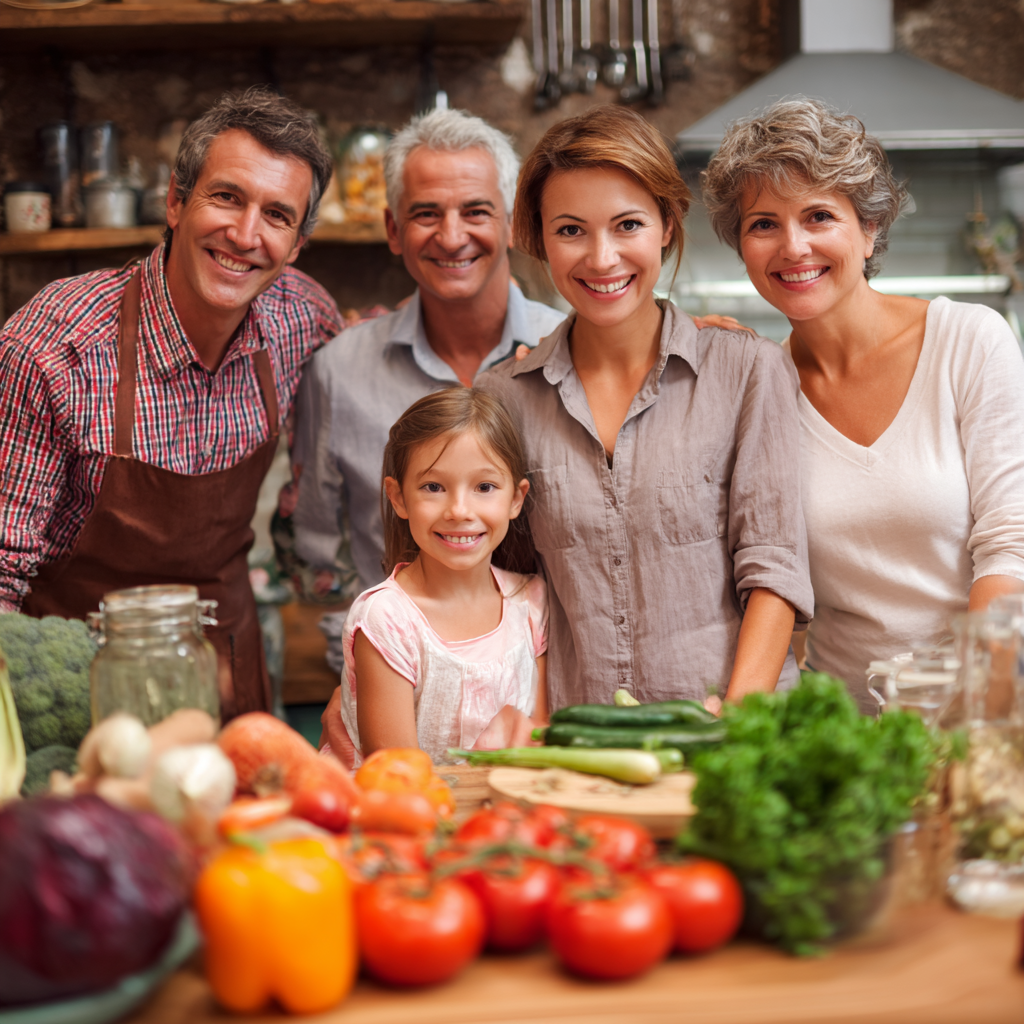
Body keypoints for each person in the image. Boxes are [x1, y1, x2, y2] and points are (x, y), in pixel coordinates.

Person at [0, 87, 342, 719]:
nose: (245, 235)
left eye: (277, 215)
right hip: (77, 687)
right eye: (227, 197)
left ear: (297, 245)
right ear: (176, 202)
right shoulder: (54, 347)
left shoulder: (303, 319)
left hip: (226, 672)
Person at [479, 106, 814, 713]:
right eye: (571, 230)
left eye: (627, 224)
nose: (602, 258)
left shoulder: (747, 370)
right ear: (539, 238)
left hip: (734, 736)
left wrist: (732, 722)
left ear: (666, 224)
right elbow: (496, 586)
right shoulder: (504, 398)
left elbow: (775, 567)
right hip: (579, 742)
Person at [701, 98, 1024, 711]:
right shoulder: (758, 390)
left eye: (819, 216)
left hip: (983, 713)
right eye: (764, 224)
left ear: (869, 228)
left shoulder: (970, 342)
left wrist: (970, 716)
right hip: (841, 731)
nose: (793, 246)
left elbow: (1011, 548)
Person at [328, 387, 547, 766]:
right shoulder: (387, 620)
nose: (459, 510)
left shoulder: (531, 601)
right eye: (433, 487)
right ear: (398, 497)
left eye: (484, 487)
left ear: (516, 498)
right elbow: (399, 775)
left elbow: (537, 741)